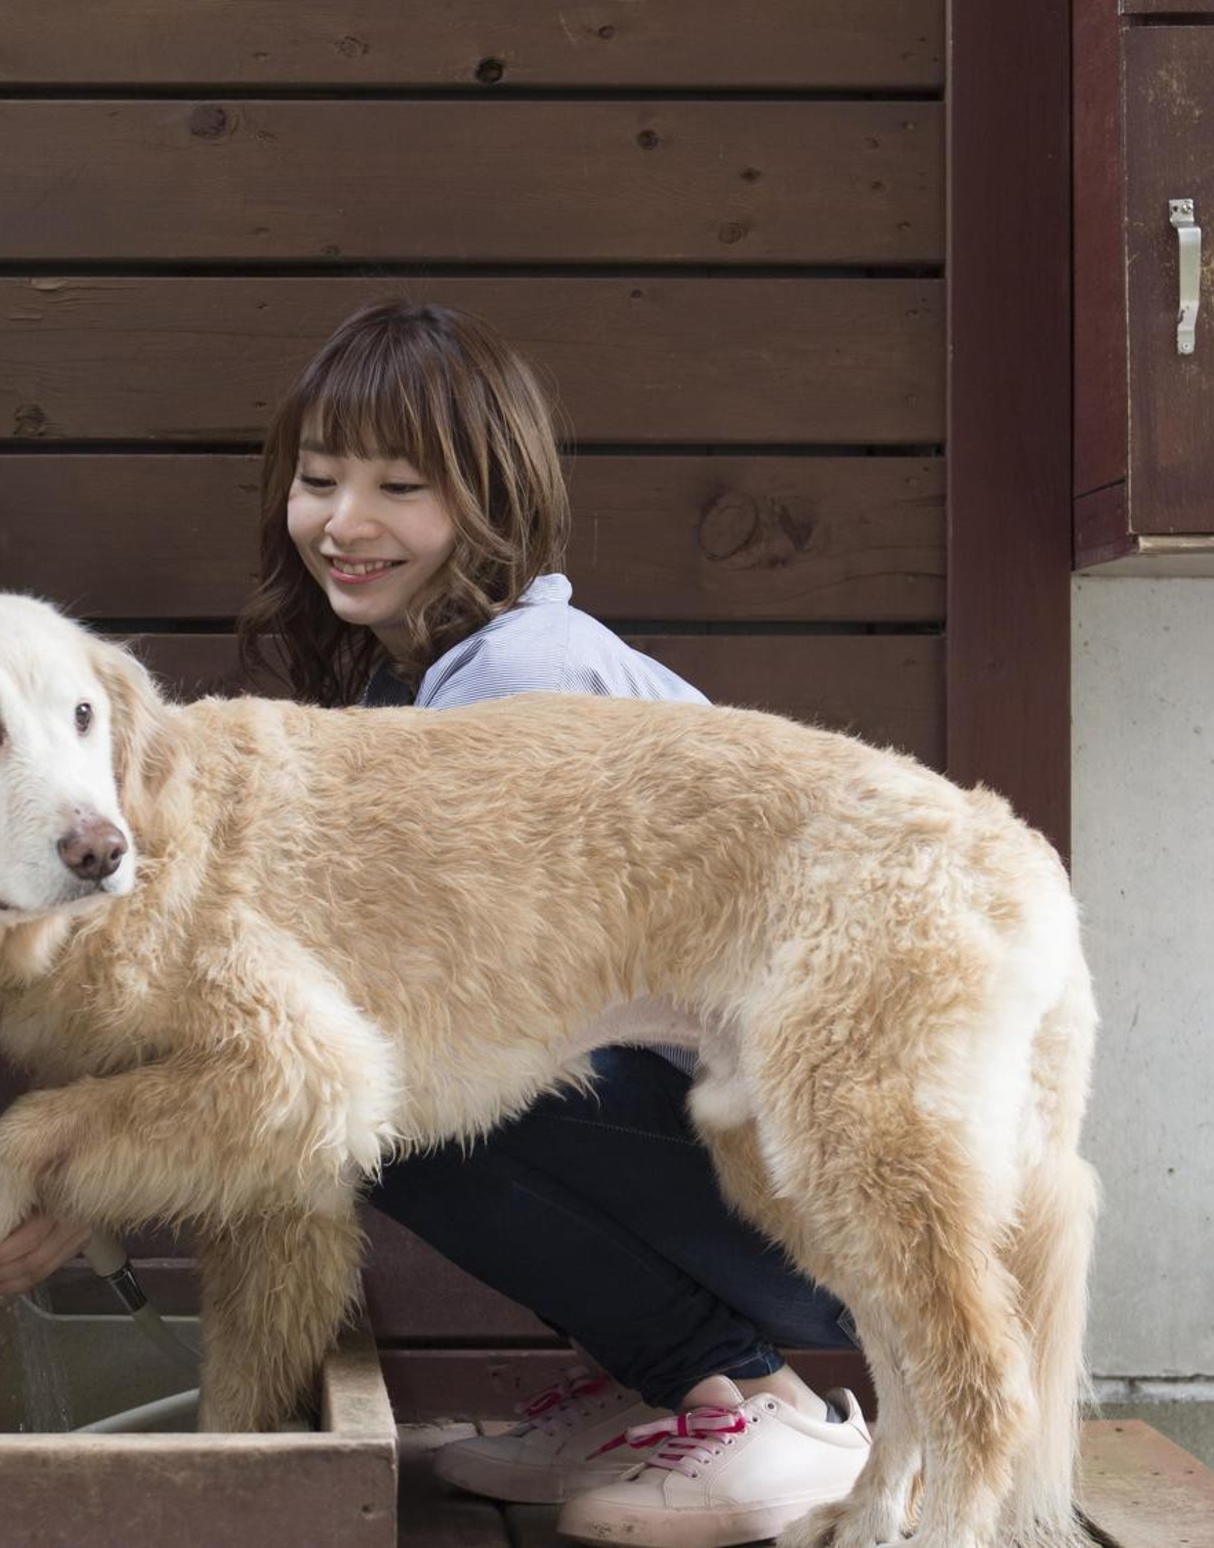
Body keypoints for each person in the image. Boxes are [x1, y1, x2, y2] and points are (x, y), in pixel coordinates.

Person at [233, 299, 871, 1546]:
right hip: (757, 1163)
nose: (345, 523)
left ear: (489, 502)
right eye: (318, 480)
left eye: (399, 487)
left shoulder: (523, 676)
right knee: (373, 1074)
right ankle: (670, 1381)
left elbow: (448, 1006)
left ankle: (751, 1405)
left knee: (386, 1094)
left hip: (832, 1196)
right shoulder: (437, 668)